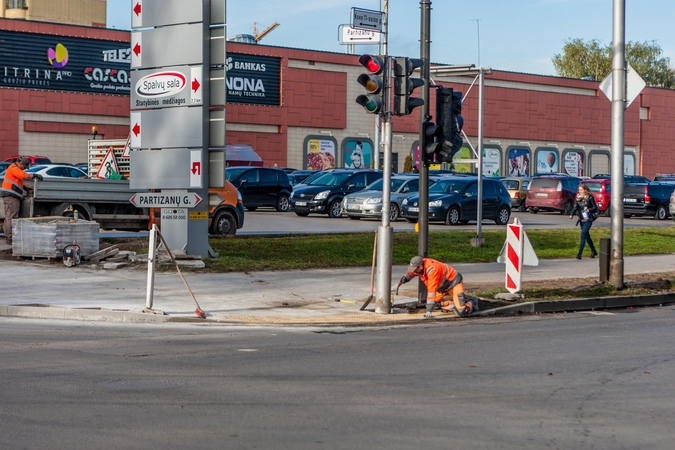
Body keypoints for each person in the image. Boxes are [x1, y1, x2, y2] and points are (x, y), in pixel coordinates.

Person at [395, 256, 478, 318]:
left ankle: (471, 301)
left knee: (461, 312)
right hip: (442, 288)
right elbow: (409, 274)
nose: (413, 271)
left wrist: (429, 311)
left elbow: (431, 291)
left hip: (454, 283)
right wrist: (399, 283)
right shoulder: (419, 267)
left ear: (420, 267)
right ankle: (453, 302)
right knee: (432, 303)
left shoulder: (432, 270)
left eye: (414, 269)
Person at [1, 157, 42, 244]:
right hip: (11, 196)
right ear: (21, 164)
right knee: (12, 217)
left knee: (10, 216)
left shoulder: (14, 169)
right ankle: (10, 238)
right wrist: (34, 175)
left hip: (10, 195)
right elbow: (23, 175)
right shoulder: (14, 168)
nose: (24, 169)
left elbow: (16, 182)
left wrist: (24, 188)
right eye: (24, 167)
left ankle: (9, 236)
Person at [569, 183, 598, 259]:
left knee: (583, 234)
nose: (580, 191)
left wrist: (589, 210)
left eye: (581, 190)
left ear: (585, 190)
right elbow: (575, 207)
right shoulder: (578, 198)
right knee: (586, 236)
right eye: (579, 190)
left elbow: (595, 207)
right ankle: (593, 251)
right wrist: (571, 214)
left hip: (588, 219)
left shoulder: (590, 198)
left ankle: (579, 253)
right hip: (582, 219)